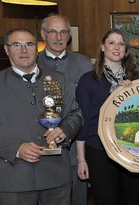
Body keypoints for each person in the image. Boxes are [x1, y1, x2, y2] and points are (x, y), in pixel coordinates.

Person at [0, 28, 82, 205]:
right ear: (7, 50)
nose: (24, 50)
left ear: (36, 49)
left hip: (56, 176)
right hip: (14, 178)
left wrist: (65, 130)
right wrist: (17, 148)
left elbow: (75, 114)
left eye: (29, 44)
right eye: (17, 45)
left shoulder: (60, 79)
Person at [75, 29, 139, 205]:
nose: (116, 47)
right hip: (98, 151)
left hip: (131, 150)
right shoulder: (88, 80)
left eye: (121, 43)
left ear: (126, 50)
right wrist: (81, 159)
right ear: (102, 47)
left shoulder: (136, 81)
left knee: (131, 200)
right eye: (111, 43)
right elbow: (83, 122)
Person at [37, 14, 92, 205]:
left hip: (77, 147)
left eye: (63, 32)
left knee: (78, 197)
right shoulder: (32, 63)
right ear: (44, 34)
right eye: (53, 32)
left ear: (69, 36)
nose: (58, 37)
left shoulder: (84, 63)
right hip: (42, 146)